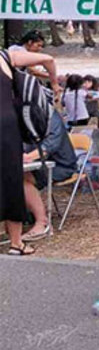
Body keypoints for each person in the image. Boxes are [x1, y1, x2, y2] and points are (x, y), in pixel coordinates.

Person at [1, 45, 59, 255]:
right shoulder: (6, 57)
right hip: (6, 126)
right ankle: (16, 243)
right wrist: (54, 84)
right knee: (12, 181)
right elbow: (48, 59)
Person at [22, 108, 79, 241]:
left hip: (60, 166)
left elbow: (49, 146)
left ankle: (42, 223)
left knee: (20, 179)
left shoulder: (49, 115)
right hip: (36, 165)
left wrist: (27, 157)